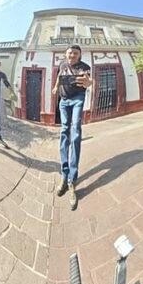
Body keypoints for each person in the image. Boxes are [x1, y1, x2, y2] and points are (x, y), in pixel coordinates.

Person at [55, 44, 92, 204]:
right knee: (64, 131)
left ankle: (72, 180)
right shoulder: (62, 64)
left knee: (75, 131)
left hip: (77, 99)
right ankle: (64, 176)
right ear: (66, 54)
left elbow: (88, 80)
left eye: (75, 53)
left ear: (79, 55)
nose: (72, 55)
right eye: (70, 53)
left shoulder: (84, 67)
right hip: (63, 100)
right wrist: (55, 87)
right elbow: (59, 76)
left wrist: (89, 82)